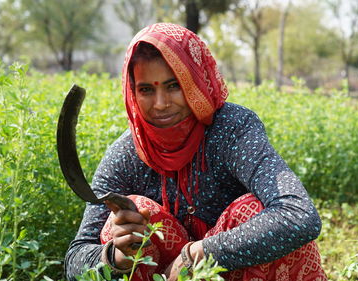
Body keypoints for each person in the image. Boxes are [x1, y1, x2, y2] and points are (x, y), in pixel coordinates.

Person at [65, 23, 327, 281]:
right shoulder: (126, 155)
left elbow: (298, 215)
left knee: (252, 209)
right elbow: (76, 257)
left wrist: (198, 254)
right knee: (129, 217)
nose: (161, 104)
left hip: (234, 271)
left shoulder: (232, 129)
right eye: (146, 90)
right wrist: (115, 257)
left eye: (173, 86)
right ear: (132, 92)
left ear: (195, 81)